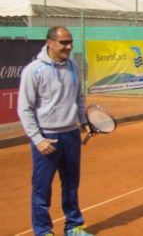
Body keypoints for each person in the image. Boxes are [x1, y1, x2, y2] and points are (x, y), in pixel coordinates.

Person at [17, 26, 93, 236]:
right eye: (64, 43)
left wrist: (82, 121)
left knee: (71, 184)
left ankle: (73, 226)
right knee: (42, 188)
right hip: (46, 137)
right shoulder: (33, 71)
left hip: (71, 135)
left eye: (70, 42)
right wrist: (37, 139)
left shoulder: (73, 67)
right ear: (49, 42)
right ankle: (43, 231)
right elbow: (24, 108)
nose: (68, 47)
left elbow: (78, 97)